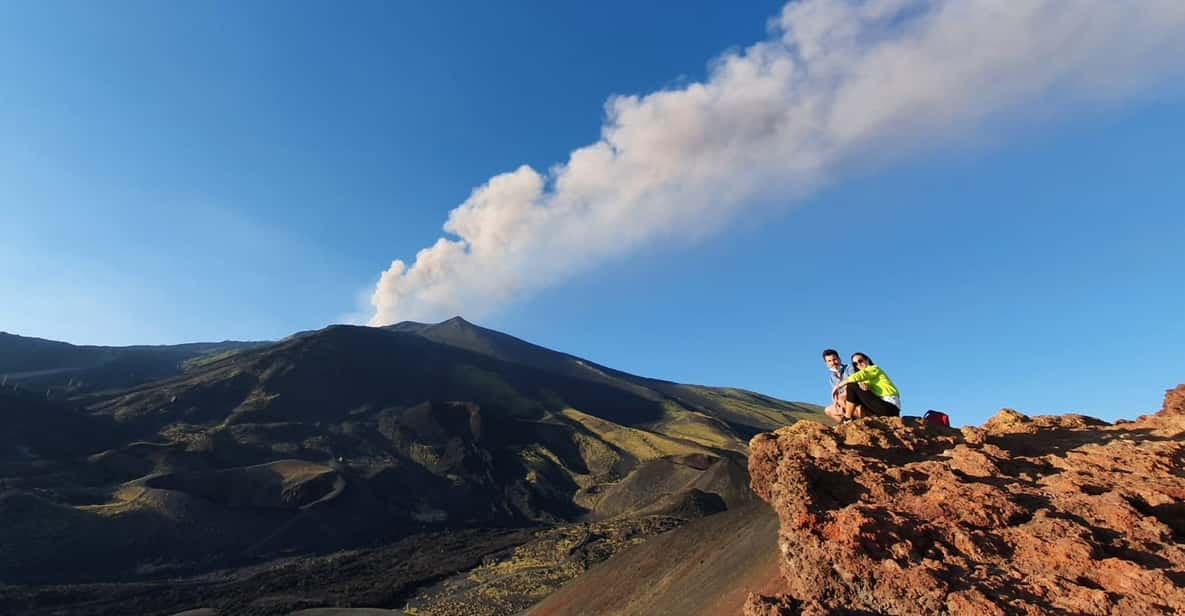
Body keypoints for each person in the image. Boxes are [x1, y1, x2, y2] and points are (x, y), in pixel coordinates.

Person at [833, 352, 901, 419]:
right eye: (855, 363)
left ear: (867, 360)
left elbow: (858, 376)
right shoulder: (865, 380)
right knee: (852, 395)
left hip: (890, 407)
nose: (858, 364)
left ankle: (847, 418)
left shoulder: (874, 369)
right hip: (879, 406)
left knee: (852, 385)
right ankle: (852, 421)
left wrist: (838, 386)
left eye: (860, 361)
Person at [821, 349, 854, 423]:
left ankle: (849, 419)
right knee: (828, 410)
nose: (833, 362)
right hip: (842, 401)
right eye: (829, 361)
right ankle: (848, 426)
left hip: (854, 398)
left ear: (839, 359)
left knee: (841, 398)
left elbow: (854, 384)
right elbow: (836, 393)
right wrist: (835, 401)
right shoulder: (832, 378)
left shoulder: (849, 368)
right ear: (826, 363)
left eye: (834, 359)